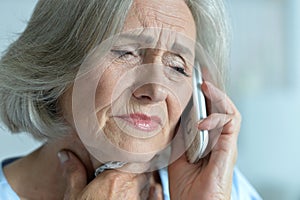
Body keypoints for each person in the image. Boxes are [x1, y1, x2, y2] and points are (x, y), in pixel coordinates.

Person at [0, 0, 262, 199]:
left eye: (177, 67)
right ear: (55, 61)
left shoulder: (219, 187)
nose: (156, 90)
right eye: (126, 53)